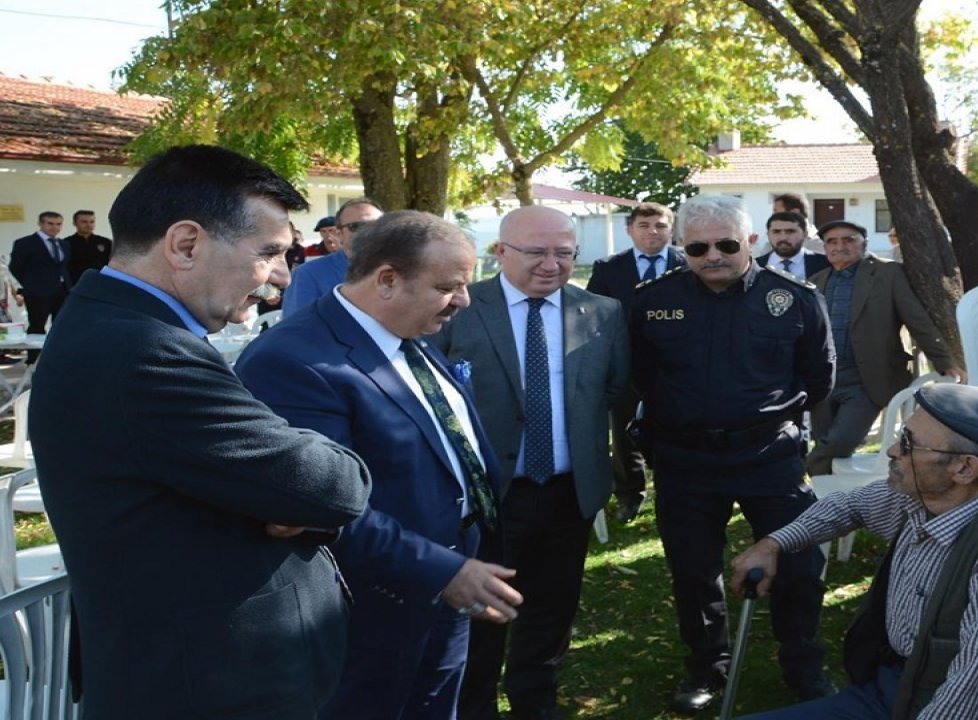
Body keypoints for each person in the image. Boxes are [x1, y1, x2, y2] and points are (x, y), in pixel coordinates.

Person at [29, 144, 373, 719]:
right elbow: (336, 486)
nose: (280, 279)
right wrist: (307, 476)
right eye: (268, 253)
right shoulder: (142, 352)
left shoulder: (126, 329)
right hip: (203, 688)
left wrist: (282, 479)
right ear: (186, 243)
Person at [237, 210, 523, 719]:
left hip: (443, 587)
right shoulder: (294, 361)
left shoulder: (408, 334)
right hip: (370, 607)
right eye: (449, 286)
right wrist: (442, 570)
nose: (463, 300)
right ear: (387, 279)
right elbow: (313, 505)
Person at [729, 384, 978, 720]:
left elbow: (975, 697)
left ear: (965, 468)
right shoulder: (928, 495)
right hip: (896, 689)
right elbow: (850, 506)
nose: (891, 450)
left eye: (908, 442)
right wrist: (774, 543)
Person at [631, 194, 836, 713]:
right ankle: (706, 667)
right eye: (698, 247)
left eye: (726, 244)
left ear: (750, 241)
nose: (713, 256)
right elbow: (639, 376)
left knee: (800, 561)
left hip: (768, 456)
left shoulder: (794, 297)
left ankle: (801, 663)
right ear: (682, 248)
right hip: (685, 460)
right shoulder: (652, 300)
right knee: (693, 570)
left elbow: (819, 379)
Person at [435, 206, 628, 720]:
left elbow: (613, 391)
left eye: (564, 253)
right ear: (501, 253)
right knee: (481, 615)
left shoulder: (603, 313)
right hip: (488, 498)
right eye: (536, 252)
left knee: (551, 610)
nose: (551, 264)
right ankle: (475, 708)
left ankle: (535, 704)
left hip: (568, 494)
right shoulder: (460, 309)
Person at [804, 219, 963, 477]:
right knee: (825, 442)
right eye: (832, 241)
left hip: (867, 379)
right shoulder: (816, 281)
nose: (839, 246)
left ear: (864, 244)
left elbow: (916, 320)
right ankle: (832, 503)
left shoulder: (887, 274)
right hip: (824, 380)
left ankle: (803, 481)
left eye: (848, 240)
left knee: (839, 442)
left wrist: (944, 361)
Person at [586, 201, 687, 522]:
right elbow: (593, 317)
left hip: (679, 365)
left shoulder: (689, 264)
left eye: (660, 225)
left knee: (678, 426)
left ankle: (677, 490)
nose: (652, 232)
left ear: (672, 230)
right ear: (630, 230)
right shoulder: (608, 268)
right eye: (644, 226)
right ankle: (630, 493)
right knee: (625, 430)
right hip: (625, 364)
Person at [283, 198, 383, 315]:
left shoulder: (405, 269)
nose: (367, 232)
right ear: (339, 234)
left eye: (376, 225)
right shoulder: (308, 275)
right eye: (355, 226)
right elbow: (297, 328)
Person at [8, 210, 70, 361]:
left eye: (58, 224)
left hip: (62, 290)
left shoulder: (64, 244)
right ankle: (33, 360)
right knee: (37, 325)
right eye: (50, 224)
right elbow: (15, 267)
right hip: (37, 292)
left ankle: (57, 358)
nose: (54, 227)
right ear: (40, 224)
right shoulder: (25, 243)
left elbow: (63, 266)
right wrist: (31, 283)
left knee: (61, 325)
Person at [755, 211, 830, 277]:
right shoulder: (755, 266)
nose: (783, 238)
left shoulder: (826, 264)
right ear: (768, 235)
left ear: (805, 234)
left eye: (790, 231)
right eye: (776, 232)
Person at [66, 209, 113, 285]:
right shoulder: (66, 243)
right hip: (76, 283)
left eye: (92, 222)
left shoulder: (105, 242)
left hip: (101, 282)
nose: (88, 225)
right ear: (75, 223)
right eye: (84, 222)